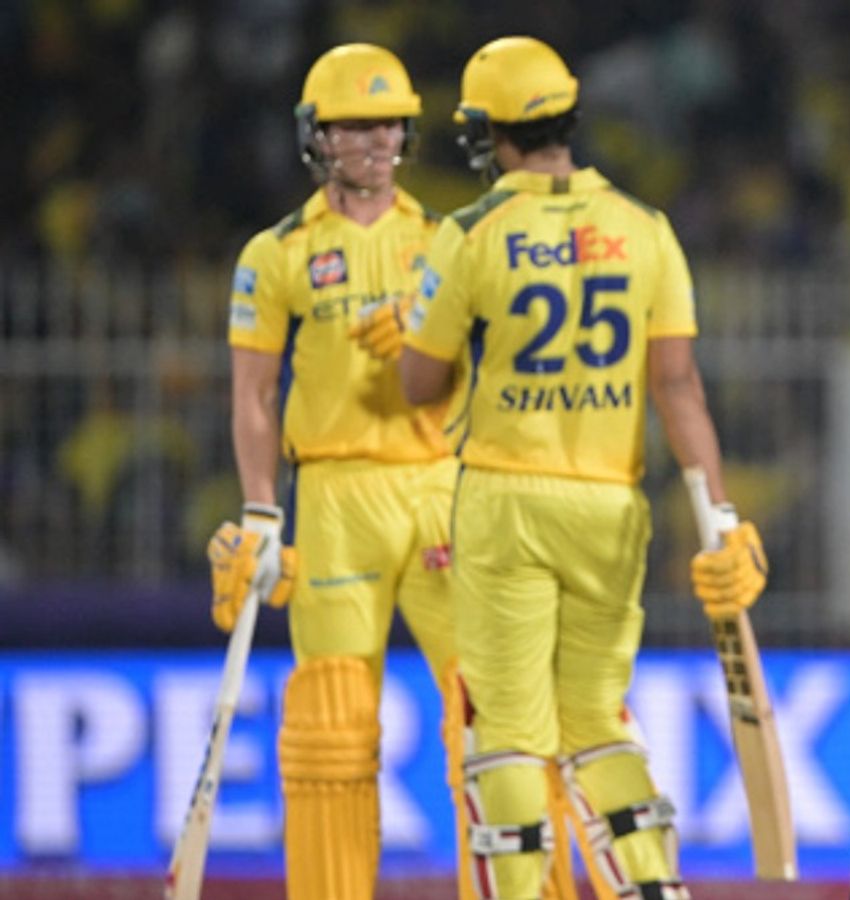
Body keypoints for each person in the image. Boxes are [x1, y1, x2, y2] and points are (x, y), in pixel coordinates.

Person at [397, 36, 768, 900]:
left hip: (503, 498)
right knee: (599, 721)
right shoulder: (646, 230)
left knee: (511, 734)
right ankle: (650, 885)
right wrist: (721, 516)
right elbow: (678, 387)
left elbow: (418, 383)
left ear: (490, 132)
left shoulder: (470, 231)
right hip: (609, 504)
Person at [207, 43, 568, 900]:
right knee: (332, 726)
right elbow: (253, 397)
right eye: (352, 126)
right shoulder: (278, 252)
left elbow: (499, 375)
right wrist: (263, 513)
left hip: (439, 485)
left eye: (389, 124)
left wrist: (425, 339)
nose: (374, 140)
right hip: (332, 498)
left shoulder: (447, 238)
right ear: (315, 137)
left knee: (496, 708)